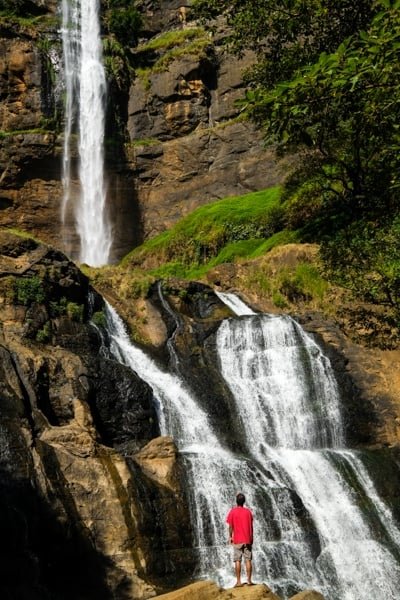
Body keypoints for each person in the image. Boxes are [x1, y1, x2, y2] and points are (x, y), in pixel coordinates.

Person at [226, 492, 254, 587]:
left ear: (236, 501)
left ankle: (238, 582)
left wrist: (230, 536)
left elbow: (230, 526)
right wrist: (251, 537)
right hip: (247, 539)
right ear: (244, 501)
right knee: (248, 560)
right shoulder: (248, 512)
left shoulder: (233, 511)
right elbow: (251, 526)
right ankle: (249, 581)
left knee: (237, 560)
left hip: (237, 539)